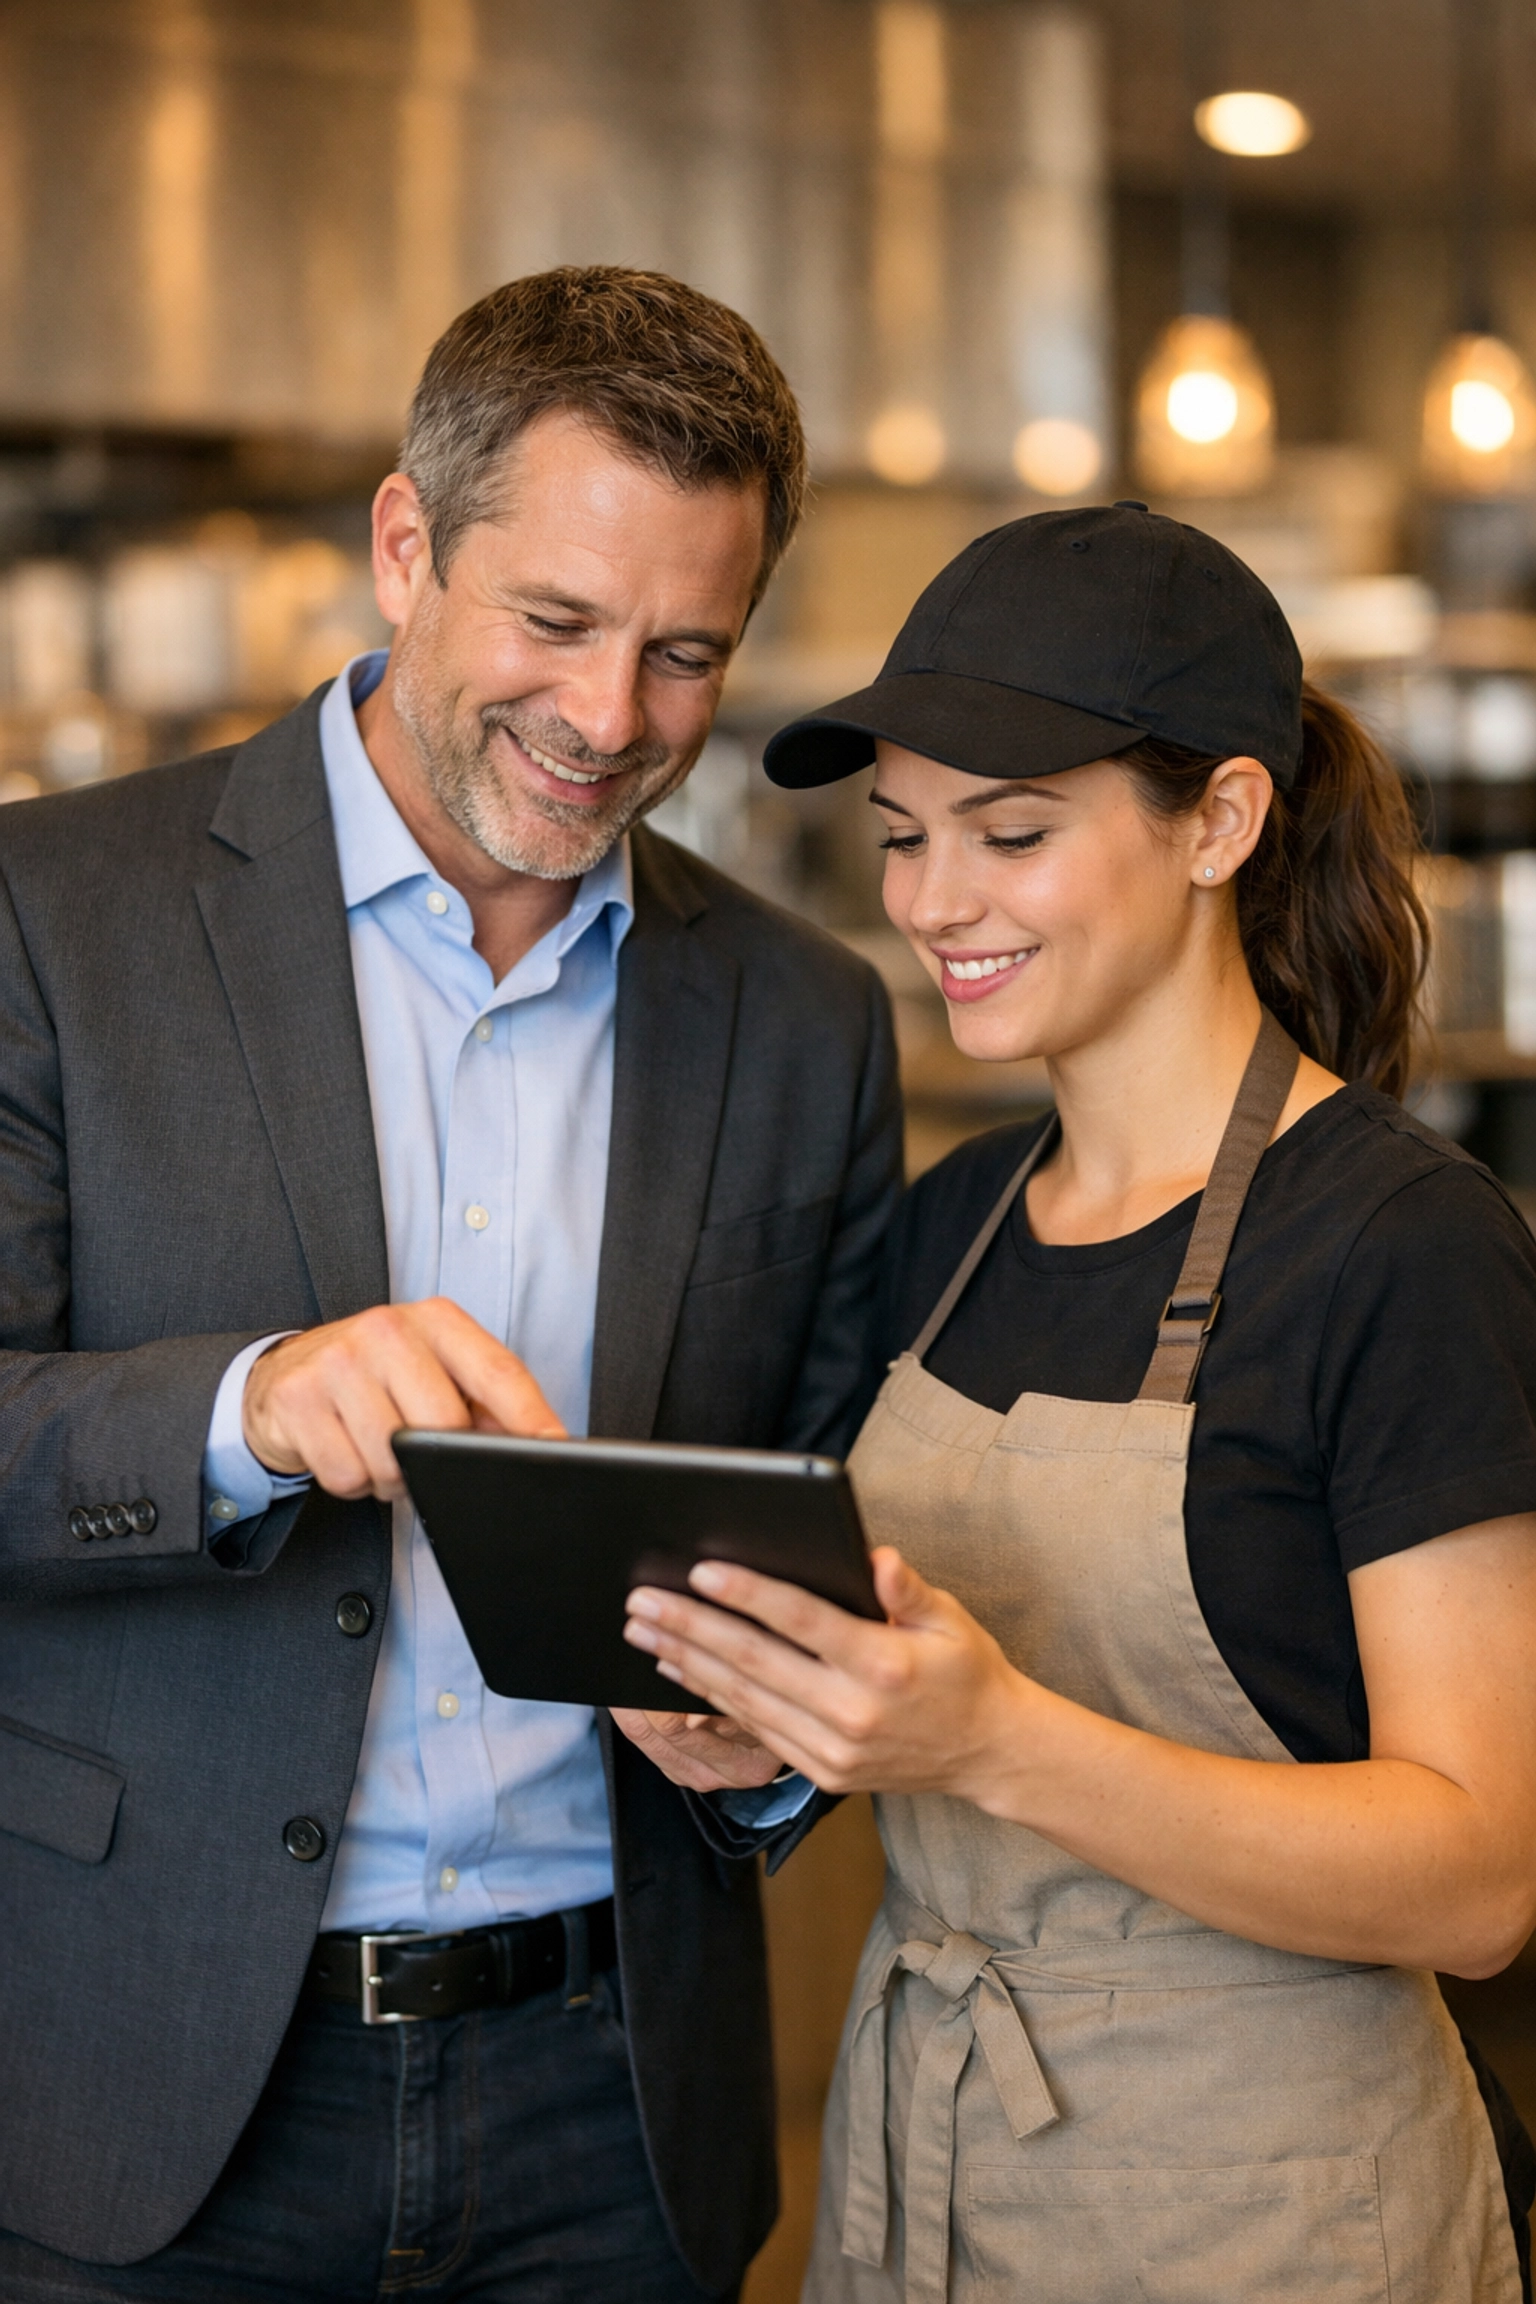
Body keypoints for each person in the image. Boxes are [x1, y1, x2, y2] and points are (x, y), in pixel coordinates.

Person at [0, 266, 901, 2302]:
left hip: (618, 2109)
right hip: (149, 2094)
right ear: (406, 544)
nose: (610, 723)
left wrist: (771, 1737)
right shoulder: (51, 916)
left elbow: (822, 1525)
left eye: (687, 655)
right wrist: (245, 1407)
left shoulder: (805, 1019)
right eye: (556, 624)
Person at [622, 500, 1536, 2304]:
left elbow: (1480, 1875)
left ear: (1221, 820)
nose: (932, 902)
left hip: (1273, 2216)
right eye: (902, 837)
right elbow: (913, 1710)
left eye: (1011, 833)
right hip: (933, 2188)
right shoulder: (950, 1225)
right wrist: (782, 1738)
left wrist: (991, 1740)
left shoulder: (1402, 1249)